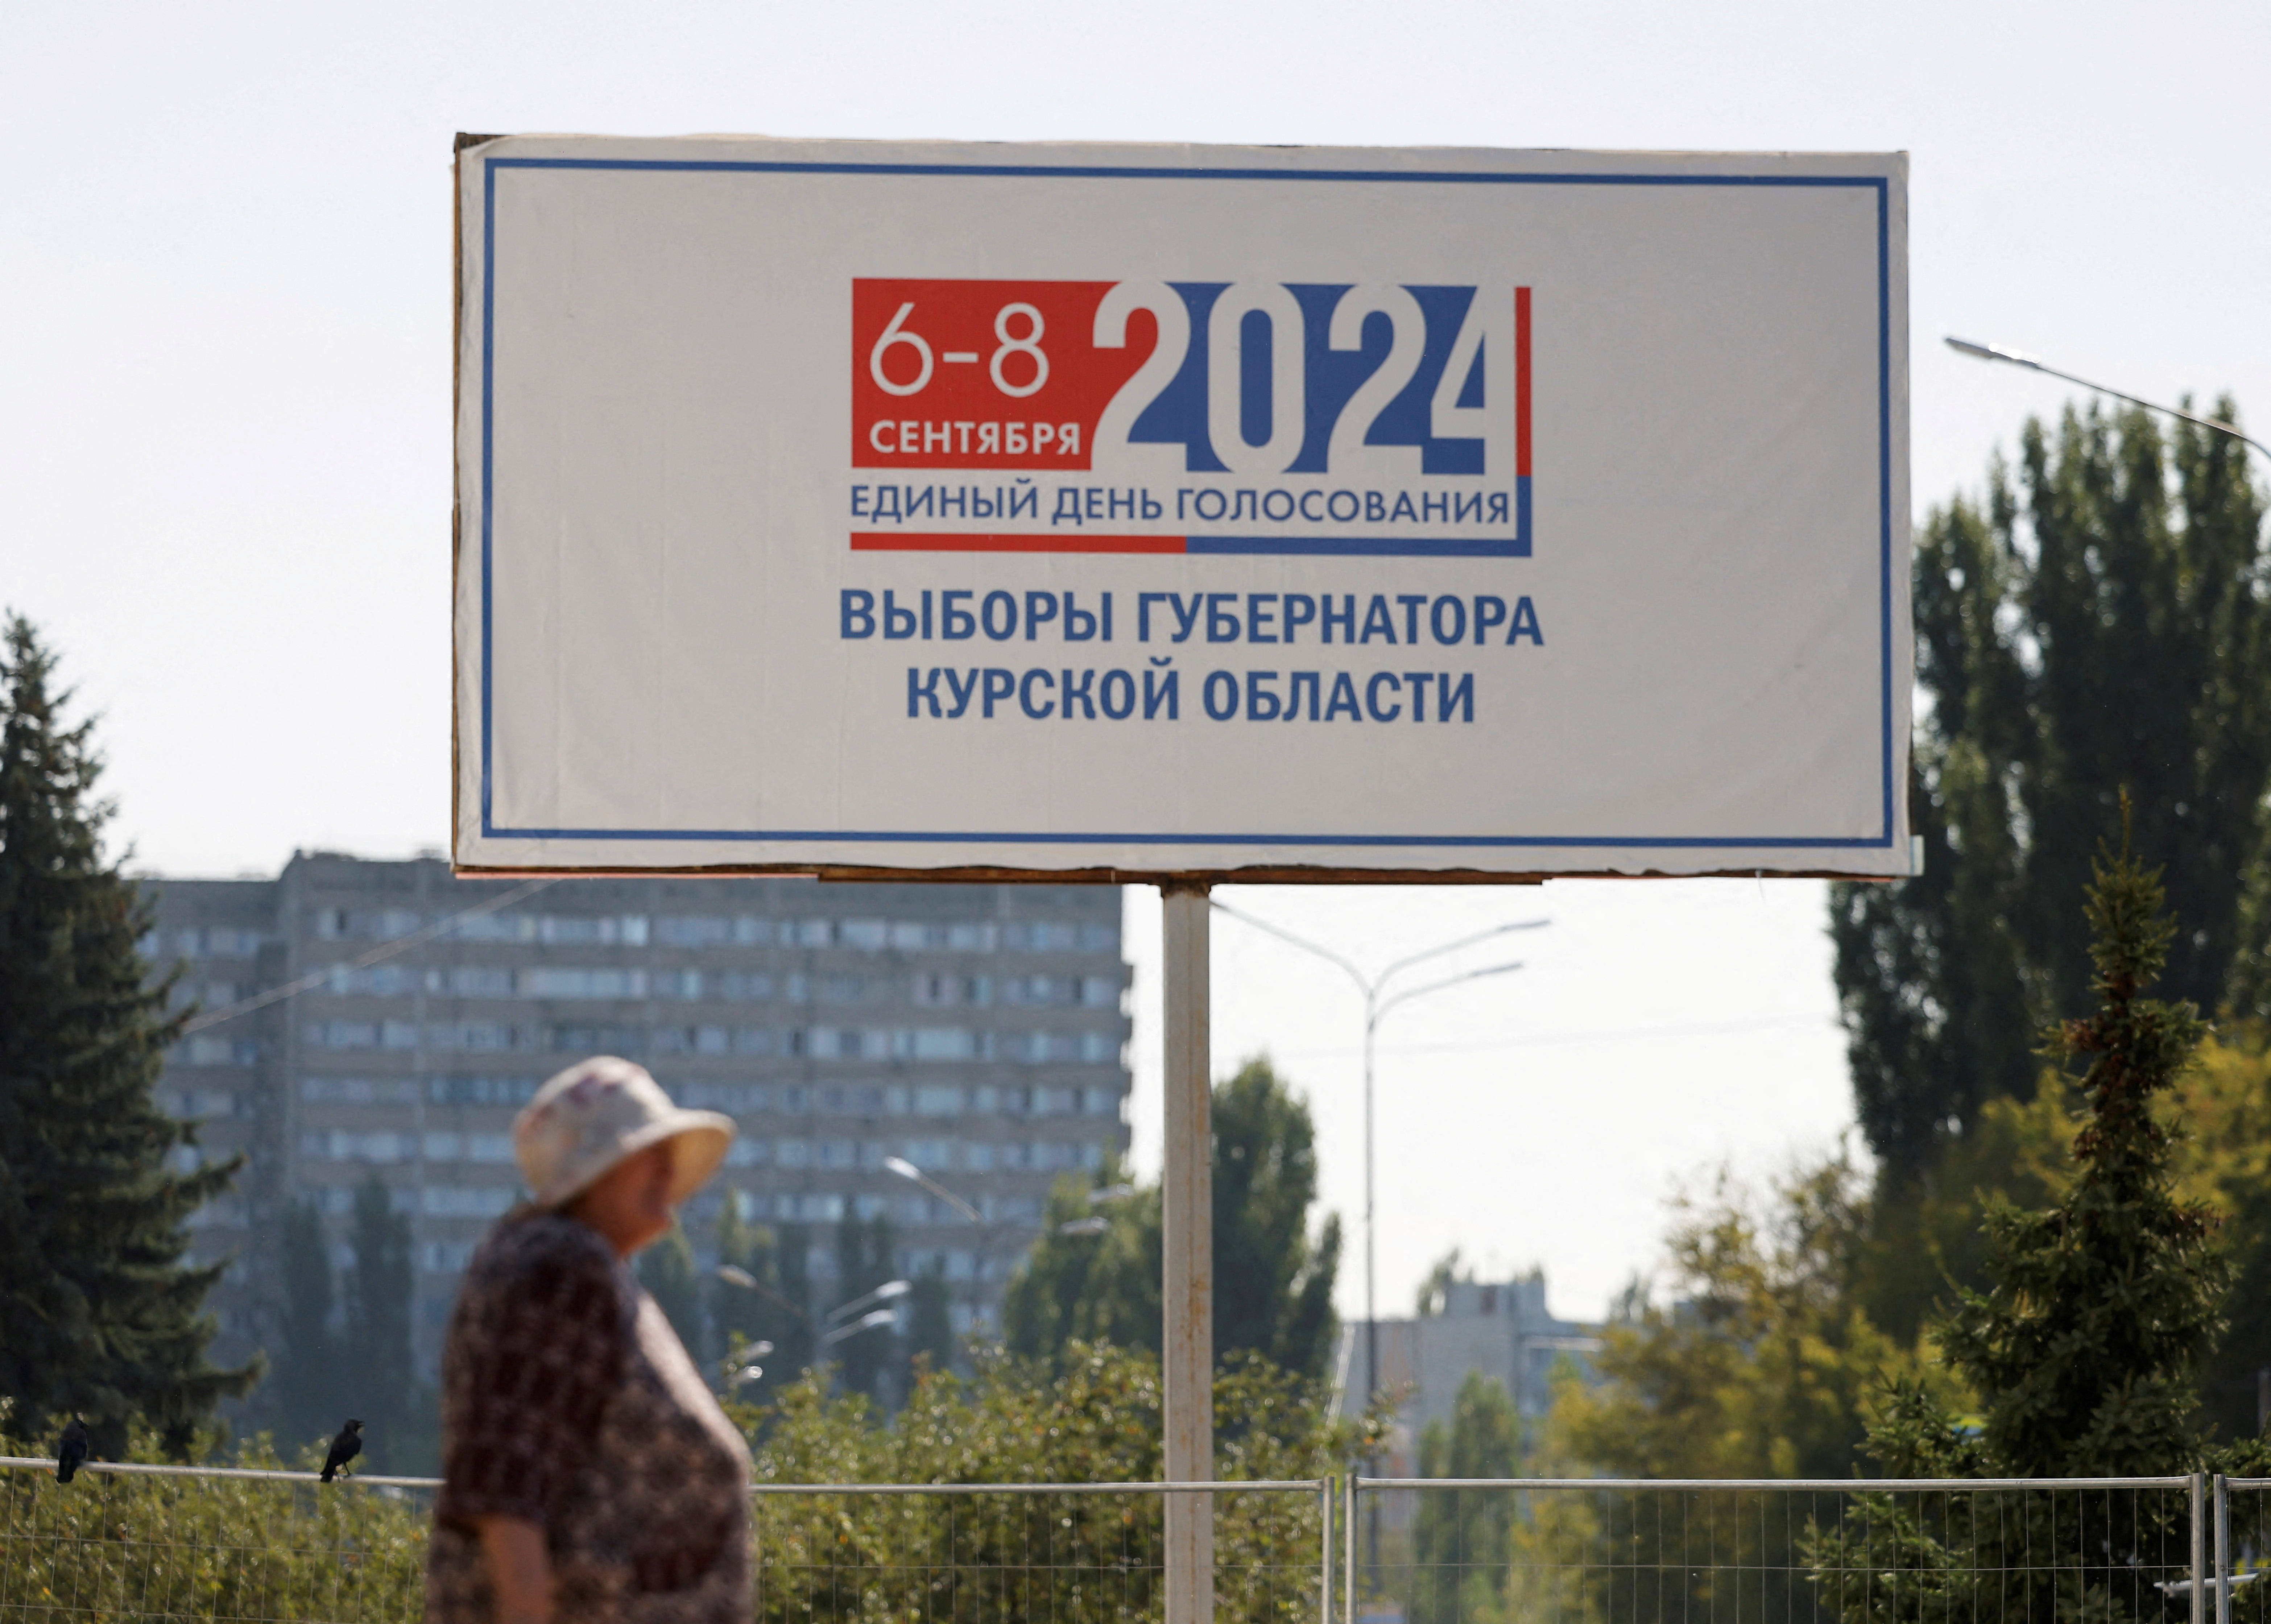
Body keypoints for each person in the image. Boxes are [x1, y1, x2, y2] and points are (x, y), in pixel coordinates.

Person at [425, 1056, 749, 1624]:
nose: (668, 1171)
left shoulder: (574, 1269)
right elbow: (504, 1494)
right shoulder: (561, 1269)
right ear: (595, 1168)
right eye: (648, 1153)